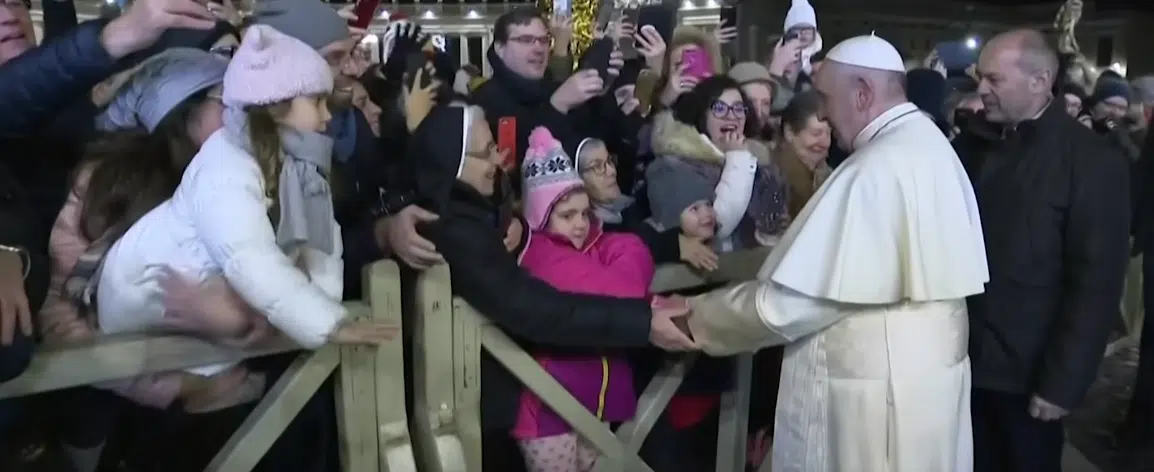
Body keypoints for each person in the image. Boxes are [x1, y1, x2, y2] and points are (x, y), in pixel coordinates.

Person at [679, 34, 989, 471]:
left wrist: (694, 316)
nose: (822, 112)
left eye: (826, 98)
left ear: (862, 93)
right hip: (924, 389)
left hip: (875, 400)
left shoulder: (876, 169)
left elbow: (790, 304)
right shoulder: (929, 144)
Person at [95, 26, 398, 381]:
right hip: (147, 298)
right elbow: (249, 257)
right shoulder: (226, 167)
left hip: (202, 309)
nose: (327, 115)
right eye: (316, 102)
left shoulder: (296, 166)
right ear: (276, 107)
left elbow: (321, 242)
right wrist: (327, 324)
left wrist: (328, 314)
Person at [405, 103, 694, 470]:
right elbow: (534, 308)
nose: (498, 159)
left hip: (518, 403)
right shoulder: (457, 229)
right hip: (492, 405)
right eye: (486, 151)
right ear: (454, 164)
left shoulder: (479, 215)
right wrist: (644, 321)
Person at [954, 29, 1130, 472]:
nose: (982, 90)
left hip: (1029, 378)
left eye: (995, 80)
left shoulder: (1091, 161)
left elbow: (1096, 284)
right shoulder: (972, 147)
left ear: (1040, 81)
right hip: (962, 361)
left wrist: (1062, 383)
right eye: (981, 78)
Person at [514, 127, 654, 472]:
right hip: (551, 412)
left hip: (598, 403)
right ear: (540, 217)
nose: (579, 224)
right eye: (566, 215)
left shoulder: (595, 245)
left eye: (584, 212)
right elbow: (613, 288)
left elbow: (633, 253)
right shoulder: (540, 255)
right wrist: (644, 300)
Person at [647, 75, 790, 252]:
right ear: (701, 114)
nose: (731, 116)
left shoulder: (756, 162)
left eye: (738, 109)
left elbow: (773, 226)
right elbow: (716, 228)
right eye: (720, 108)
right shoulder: (672, 165)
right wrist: (737, 159)